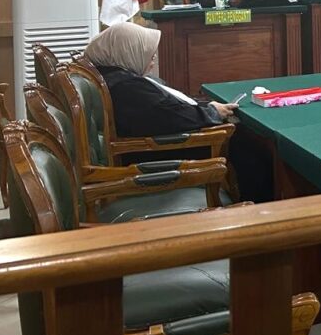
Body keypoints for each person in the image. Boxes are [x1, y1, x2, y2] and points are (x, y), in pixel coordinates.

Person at [83, 23, 271, 202]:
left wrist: (206, 106)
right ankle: (260, 209)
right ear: (126, 52)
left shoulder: (117, 76)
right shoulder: (127, 87)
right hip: (162, 151)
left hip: (158, 144)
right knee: (248, 146)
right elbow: (169, 116)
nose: (153, 60)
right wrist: (211, 112)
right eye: (148, 54)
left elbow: (166, 108)